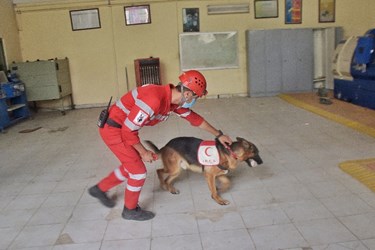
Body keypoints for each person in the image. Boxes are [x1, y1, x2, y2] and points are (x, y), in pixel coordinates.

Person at [89, 70, 232, 221]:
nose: (195, 100)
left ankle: (99, 189)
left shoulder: (172, 101)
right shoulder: (154, 99)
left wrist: (218, 134)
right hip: (114, 130)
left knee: (131, 164)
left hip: (122, 128)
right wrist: (143, 152)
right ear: (188, 94)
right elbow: (128, 130)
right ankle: (130, 210)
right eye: (196, 97)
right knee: (138, 171)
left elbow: (194, 119)